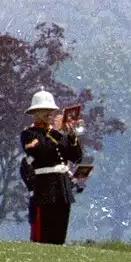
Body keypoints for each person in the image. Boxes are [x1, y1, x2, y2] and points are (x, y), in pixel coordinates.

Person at [21, 89, 83, 245]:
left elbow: (76, 157)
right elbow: (41, 152)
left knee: (59, 235)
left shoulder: (58, 134)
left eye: (51, 110)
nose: (49, 113)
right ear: (35, 112)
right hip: (44, 188)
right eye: (44, 110)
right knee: (43, 235)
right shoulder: (30, 134)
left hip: (62, 189)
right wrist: (56, 132)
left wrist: (72, 135)